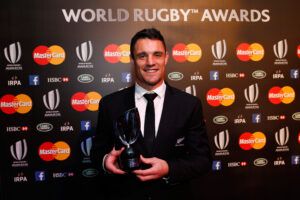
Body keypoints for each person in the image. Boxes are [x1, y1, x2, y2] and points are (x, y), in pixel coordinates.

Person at [91, 28, 212, 200]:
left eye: (157, 54)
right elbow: (97, 151)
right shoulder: (110, 104)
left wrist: (169, 168)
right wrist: (105, 161)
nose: (150, 62)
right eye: (142, 56)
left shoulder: (189, 105)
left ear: (166, 58)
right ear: (133, 59)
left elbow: (202, 160)